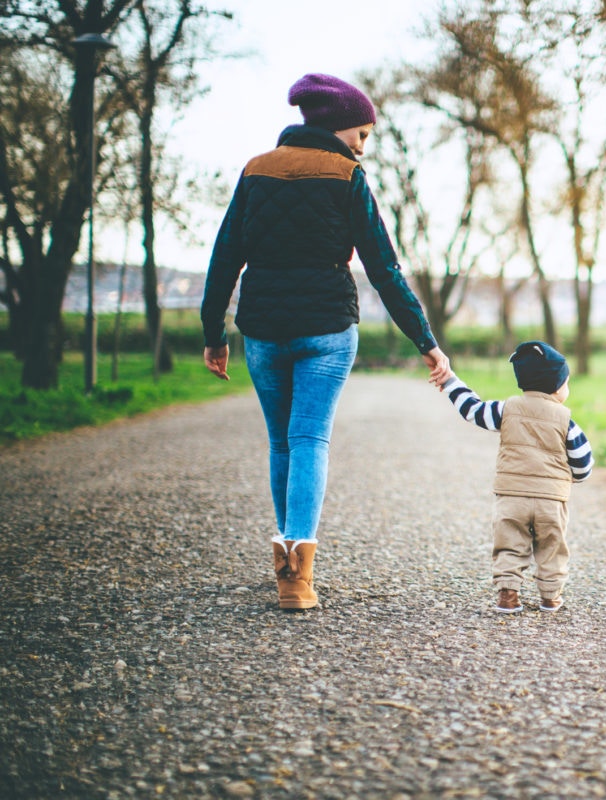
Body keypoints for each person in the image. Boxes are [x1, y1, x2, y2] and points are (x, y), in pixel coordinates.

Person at [201, 73, 451, 611]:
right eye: (361, 133)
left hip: (263, 328)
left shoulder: (256, 169)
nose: (363, 145)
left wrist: (212, 333)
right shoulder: (346, 174)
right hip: (328, 328)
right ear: (338, 127)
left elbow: (225, 256)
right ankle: (296, 576)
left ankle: (286, 560)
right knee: (310, 438)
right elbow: (384, 269)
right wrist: (426, 342)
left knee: (282, 442)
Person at [438, 341, 593, 613]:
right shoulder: (566, 420)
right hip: (551, 501)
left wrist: (450, 381)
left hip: (511, 496)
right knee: (552, 548)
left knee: (509, 545)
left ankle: (508, 595)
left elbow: (472, 410)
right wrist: (574, 478)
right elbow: (582, 461)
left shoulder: (506, 409)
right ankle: (550, 596)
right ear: (558, 387)